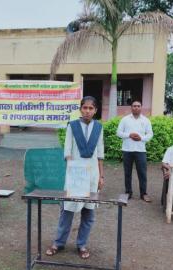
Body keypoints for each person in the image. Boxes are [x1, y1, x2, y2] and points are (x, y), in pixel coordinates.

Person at [46, 96, 104, 260]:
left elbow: (100, 153)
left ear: (95, 110)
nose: (87, 111)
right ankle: (58, 242)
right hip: (75, 175)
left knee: (88, 212)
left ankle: (82, 244)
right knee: (67, 210)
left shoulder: (99, 127)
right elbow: (68, 151)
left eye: (91, 108)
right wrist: (74, 172)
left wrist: (101, 176)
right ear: (80, 109)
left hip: (92, 175)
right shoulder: (72, 126)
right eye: (84, 108)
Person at [116, 100, 153, 202]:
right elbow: (118, 133)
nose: (136, 107)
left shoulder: (146, 120)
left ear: (141, 107)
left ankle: (143, 193)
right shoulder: (125, 119)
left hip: (141, 151)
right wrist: (129, 135)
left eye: (138, 106)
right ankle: (128, 192)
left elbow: (150, 134)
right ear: (131, 108)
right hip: (127, 150)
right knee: (127, 172)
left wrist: (141, 138)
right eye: (134, 106)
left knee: (142, 173)